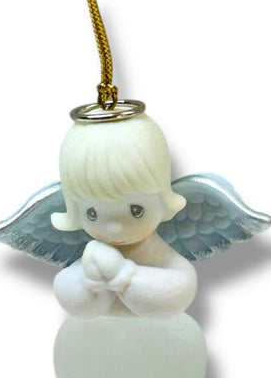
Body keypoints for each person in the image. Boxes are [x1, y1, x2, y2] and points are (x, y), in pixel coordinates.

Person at [52, 113, 197, 318]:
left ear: (163, 199)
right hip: (97, 334)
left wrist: (124, 275)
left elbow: (181, 288)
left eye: (136, 211)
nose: (115, 229)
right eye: (92, 213)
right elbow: (69, 293)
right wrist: (89, 280)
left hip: (159, 334)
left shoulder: (159, 255)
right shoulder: (93, 254)